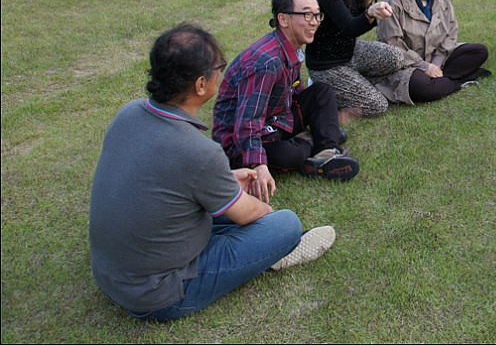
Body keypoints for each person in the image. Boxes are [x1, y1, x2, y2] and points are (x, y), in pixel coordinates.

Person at [90, 24, 336, 321]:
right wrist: (262, 210)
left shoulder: (128, 113)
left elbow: (165, 180)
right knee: (284, 224)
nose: (222, 73)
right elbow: (249, 214)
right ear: (200, 85)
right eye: (219, 67)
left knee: (224, 208)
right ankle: (270, 254)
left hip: (110, 272)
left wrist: (225, 181)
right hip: (158, 294)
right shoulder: (199, 151)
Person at [213, 0, 359, 203]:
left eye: (317, 15)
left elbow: (295, 90)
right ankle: (314, 142)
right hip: (241, 139)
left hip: (275, 118)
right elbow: (247, 122)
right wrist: (258, 165)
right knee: (291, 155)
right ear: (283, 19)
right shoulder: (267, 62)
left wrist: (322, 113)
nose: (314, 22)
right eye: (307, 15)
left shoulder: (292, 47)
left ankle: (326, 151)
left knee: (322, 92)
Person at [375, 0, 490, 103]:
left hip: (435, 59)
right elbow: (393, 44)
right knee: (421, 86)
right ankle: (457, 80)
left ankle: (438, 82)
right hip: (406, 65)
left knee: (479, 51)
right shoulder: (393, 1)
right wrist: (424, 67)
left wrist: (435, 64)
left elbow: (450, 34)